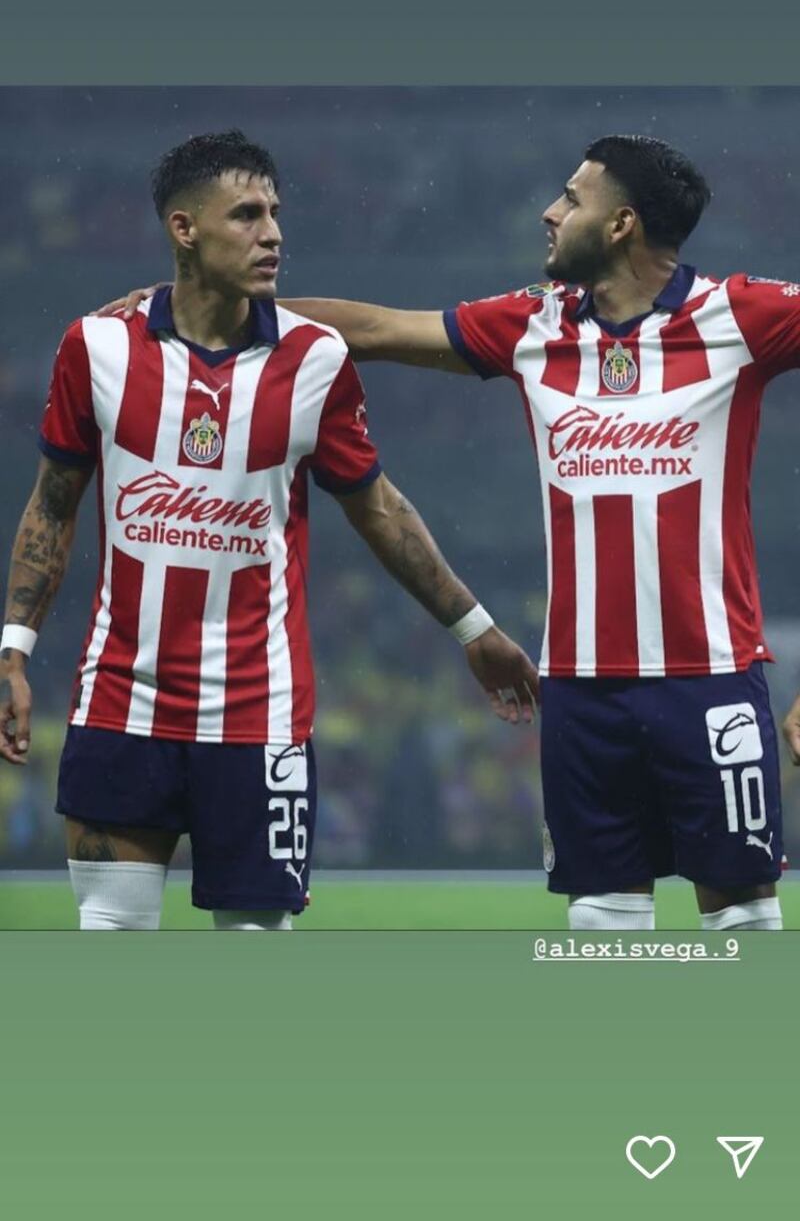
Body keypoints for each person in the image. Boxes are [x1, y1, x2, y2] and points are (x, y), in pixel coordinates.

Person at [98, 132, 800, 931]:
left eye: (573, 199)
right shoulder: (533, 324)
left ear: (621, 224)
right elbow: (375, 329)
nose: (551, 211)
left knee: (742, 921)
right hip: (577, 689)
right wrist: (206, 300)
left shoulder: (739, 314)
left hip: (710, 679)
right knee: (601, 921)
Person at [0, 130, 538, 932]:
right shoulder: (97, 347)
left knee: (255, 955)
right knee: (110, 937)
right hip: (120, 705)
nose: (273, 233)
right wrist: (13, 649)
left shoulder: (315, 358)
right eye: (247, 215)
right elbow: (52, 505)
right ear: (184, 228)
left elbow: (378, 508)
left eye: (275, 213)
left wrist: (474, 627)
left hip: (261, 715)